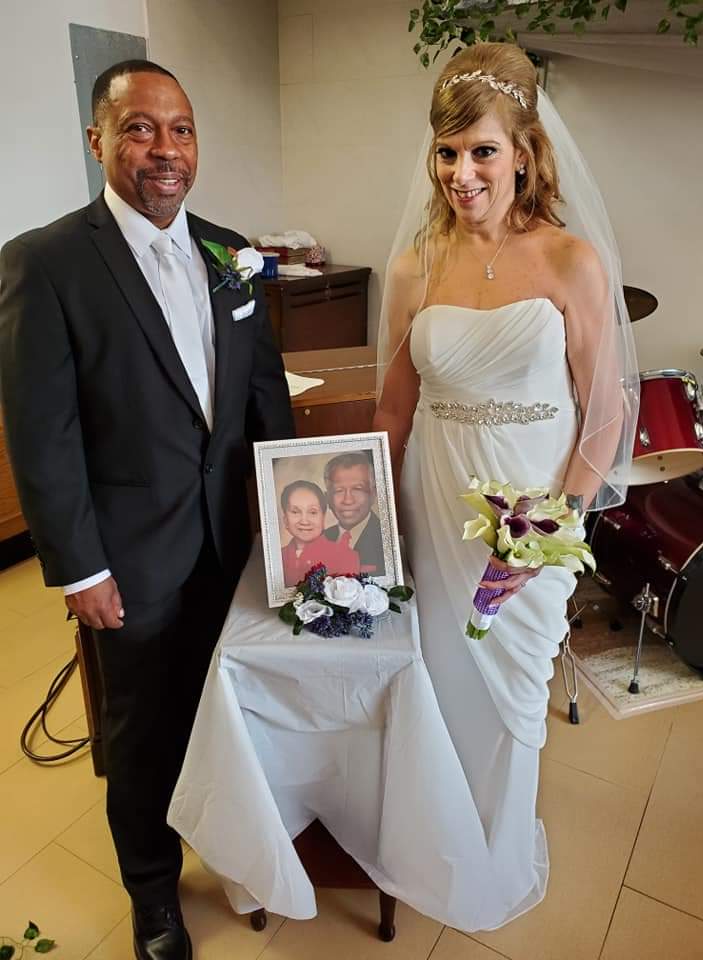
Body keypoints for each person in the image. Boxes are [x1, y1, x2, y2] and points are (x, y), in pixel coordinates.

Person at [0, 60, 294, 959]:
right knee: (142, 730)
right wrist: (80, 566)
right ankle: (154, 893)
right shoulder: (44, 262)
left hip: (232, 542)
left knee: (235, 709)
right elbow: (41, 433)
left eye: (181, 129)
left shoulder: (229, 249)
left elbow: (262, 395)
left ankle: (239, 843)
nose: (164, 149)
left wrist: (293, 516)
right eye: (139, 128)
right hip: (130, 560)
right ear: (98, 141)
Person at [373, 42, 638, 930]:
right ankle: (436, 840)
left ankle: (492, 851)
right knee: (440, 680)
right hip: (430, 500)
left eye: (482, 151)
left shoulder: (571, 262)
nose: (462, 173)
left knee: (514, 683)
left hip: (535, 509)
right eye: (447, 153)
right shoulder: (414, 267)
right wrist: (375, 523)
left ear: (522, 152)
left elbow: (604, 416)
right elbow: (392, 412)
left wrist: (545, 531)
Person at [280, 479, 360, 586]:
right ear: (285, 519)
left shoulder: (346, 557)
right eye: (295, 512)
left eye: (312, 512)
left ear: (323, 517)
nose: (304, 520)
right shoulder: (276, 559)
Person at [323, 452, 385, 575]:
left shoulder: (385, 538)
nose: (348, 500)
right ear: (327, 498)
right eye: (338, 490)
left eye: (357, 489)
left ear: (373, 495)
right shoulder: (320, 539)